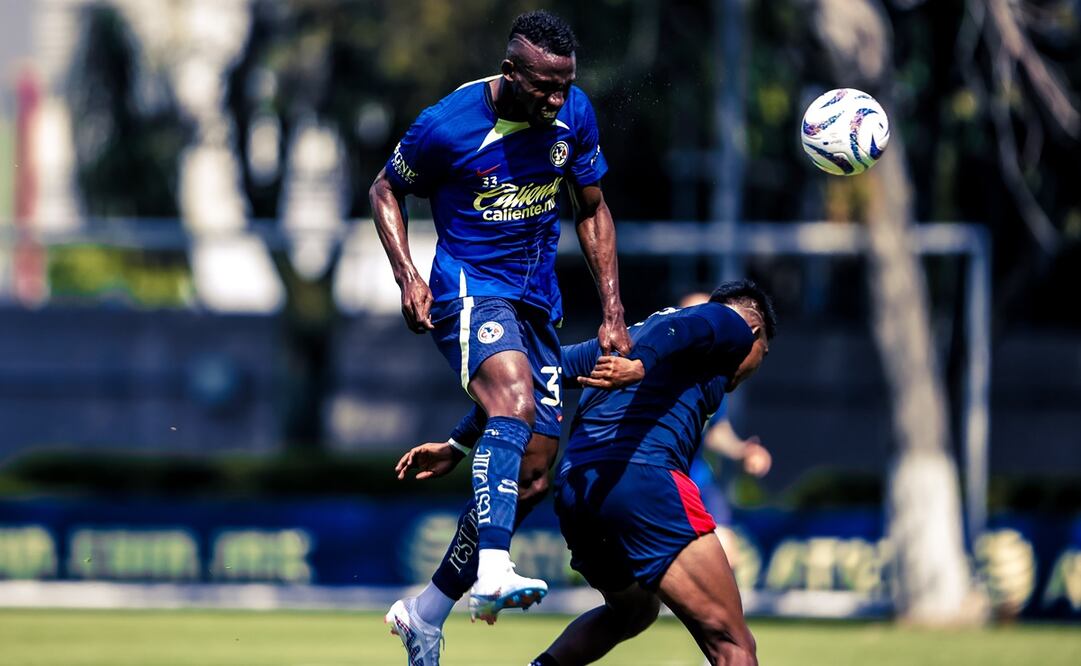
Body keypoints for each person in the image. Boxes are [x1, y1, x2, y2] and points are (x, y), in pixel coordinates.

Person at [369, 8, 631, 657]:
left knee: (533, 476)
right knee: (512, 402)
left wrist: (613, 311)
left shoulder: (574, 114)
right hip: (467, 289)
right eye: (544, 87)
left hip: (536, 302)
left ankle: (424, 614)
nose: (556, 99)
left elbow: (592, 209)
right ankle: (492, 569)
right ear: (510, 71)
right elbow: (384, 190)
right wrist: (407, 274)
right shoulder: (447, 125)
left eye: (565, 86)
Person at [399, 280, 777, 666]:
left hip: (577, 491)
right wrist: (640, 365)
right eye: (762, 355)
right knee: (733, 644)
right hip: (641, 481)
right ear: (755, 332)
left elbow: (531, 378)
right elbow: (691, 325)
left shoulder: (631, 338)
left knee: (634, 611)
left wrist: (458, 443)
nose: (752, 368)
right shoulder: (731, 323)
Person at [679, 293, 772, 572]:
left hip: (697, 477)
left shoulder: (714, 377)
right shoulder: (655, 364)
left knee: (727, 555)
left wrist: (742, 450)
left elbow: (716, 431)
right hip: (657, 477)